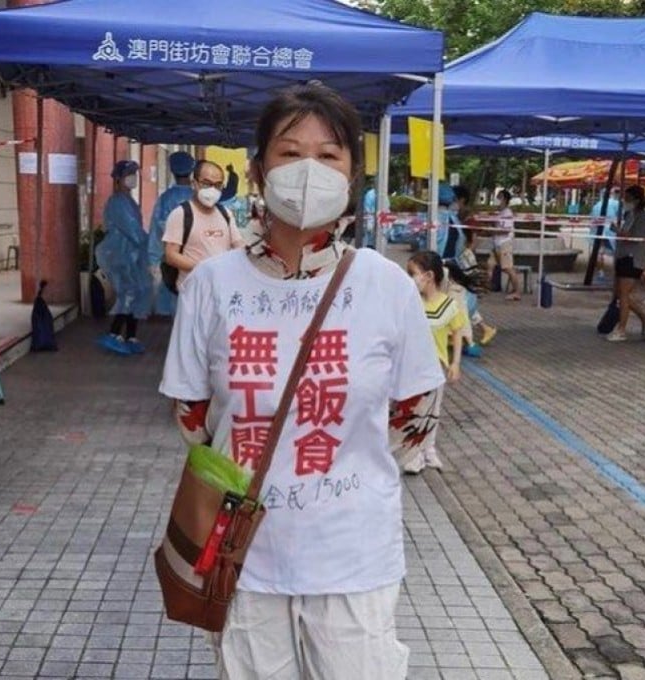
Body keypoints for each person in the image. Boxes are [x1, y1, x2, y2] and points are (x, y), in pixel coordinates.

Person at [160, 82, 444, 679]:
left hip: (353, 552)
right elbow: (191, 415)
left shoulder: (386, 286)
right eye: (289, 154)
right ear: (259, 172)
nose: (308, 170)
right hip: (243, 553)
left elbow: (416, 415)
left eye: (330, 155)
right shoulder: (212, 285)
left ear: (352, 177)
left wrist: (346, 471)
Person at [404, 251, 464, 474]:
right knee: (416, 410)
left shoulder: (449, 305)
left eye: (413, 274)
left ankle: (428, 449)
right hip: (413, 365)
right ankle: (415, 453)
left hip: (436, 367)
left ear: (428, 276)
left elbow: (457, 332)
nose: (410, 278)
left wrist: (455, 363)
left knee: (433, 410)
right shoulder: (411, 303)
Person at [95, 161, 152, 355]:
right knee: (129, 294)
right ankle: (113, 334)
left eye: (135, 173)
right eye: (129, 173)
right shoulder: (118, 202)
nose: (133, 177)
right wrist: (152, 242)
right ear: (118, 178)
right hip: (120, 255)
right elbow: (133, 231)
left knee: (134, 294)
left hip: (130, 255)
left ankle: (129, 336)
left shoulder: (128, 201)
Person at [162, 160, 245, 290]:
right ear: (194, 183)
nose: (212, 190)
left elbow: (238, 245)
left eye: (217, 185)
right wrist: (204, 268)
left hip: (222, 289)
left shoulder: (225, 214)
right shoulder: (181, 214)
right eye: (206, 184)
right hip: (193, 292)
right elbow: (171, 256)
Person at [149, 151, 196, 316]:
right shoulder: (198, 197)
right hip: (196, 256)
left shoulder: (165, 199)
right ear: (192, 170)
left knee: (173, 295)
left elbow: (157, 228)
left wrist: (154, 257)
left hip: (171, 256)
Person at [607, 185, 645, 342]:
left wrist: (616, 230)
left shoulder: (643, 217)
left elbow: (632, 236)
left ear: (636, 199)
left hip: (633, 259)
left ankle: (622, 330)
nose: (624, 201)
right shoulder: (630, 214)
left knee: (624, 295)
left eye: (627, 198)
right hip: (624, 256)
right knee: (621, 294)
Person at [487, 189, 522, 301]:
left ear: (505, 200)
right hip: (496, 244)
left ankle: (517, 292)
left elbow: (505, 230)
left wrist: (492, 231)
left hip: (504, 244)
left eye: (499, 197)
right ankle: (486, 287)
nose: (497, 200)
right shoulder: (500, 213)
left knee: (507, 268)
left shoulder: (507, 213)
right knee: (490, 264)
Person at [590, 188, 620, 281]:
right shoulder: (615, 203)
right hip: (611, 231)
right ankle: (617, 273)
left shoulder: (596, 206)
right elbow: (621, 216)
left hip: (598, 231)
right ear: (611, 194)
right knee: (617, 253)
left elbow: (593, 219)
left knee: (599, 252)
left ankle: (601, 272)